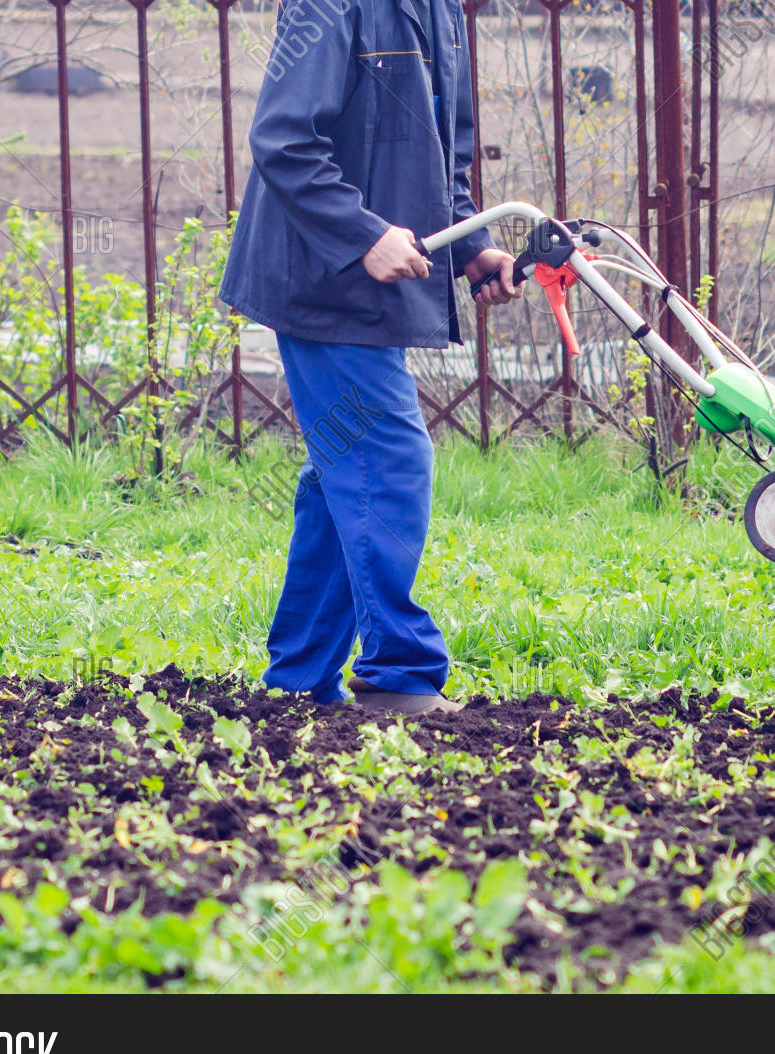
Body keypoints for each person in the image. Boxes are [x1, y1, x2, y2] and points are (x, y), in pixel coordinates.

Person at [220, 0, 521, 714]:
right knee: (387, 456)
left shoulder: (441, 10)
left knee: (345, 469)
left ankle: (299, 679)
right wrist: (361, 235)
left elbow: (443, 154)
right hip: (318, 275)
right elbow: (283, 139)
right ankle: (399, 671)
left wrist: (471, 245)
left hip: (370, 281)